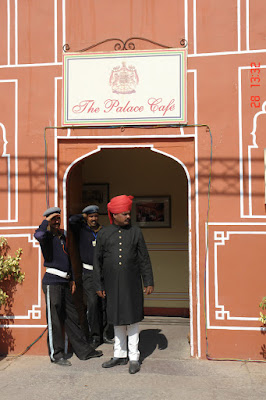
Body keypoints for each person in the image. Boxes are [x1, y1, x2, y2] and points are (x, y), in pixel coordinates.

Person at [34, 206, 103, 366]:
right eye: (54, 219)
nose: (57, 221)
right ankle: (56, 355)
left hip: (65, 282)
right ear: (48, 221)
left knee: (73, 317)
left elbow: (68, 259)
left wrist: (71, 279)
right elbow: (38, 234)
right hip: (52, 282)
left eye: (58, 218)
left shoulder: (62, 236)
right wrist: (46, 222)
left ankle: (84, 351)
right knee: (55, 320)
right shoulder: (46, 236)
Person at [94, 195, 154, 374]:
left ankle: (134, 357)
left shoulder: (136, 232)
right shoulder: (104, 233)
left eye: (129, 213)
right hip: (111, 284)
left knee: (132, 319)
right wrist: (99, 285)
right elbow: (96, 261)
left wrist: (148, 281)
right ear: (115, 215)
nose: (128, 217)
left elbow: (144, 258)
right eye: (124, 214)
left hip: (132, 284)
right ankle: (119, 355)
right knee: (116, 319)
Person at [69, 205, 114, 348]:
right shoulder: (81, 230)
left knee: (105, 304)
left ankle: (106, 334)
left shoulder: (104, 231)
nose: (94, 219)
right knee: (93, 304)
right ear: (86, 217)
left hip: (103, 273)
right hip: (88, 273)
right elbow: (71, 220)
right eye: (90, 216)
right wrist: (82, 215)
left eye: (95, 216)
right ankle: (95, 337)